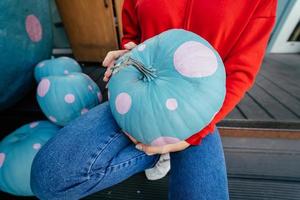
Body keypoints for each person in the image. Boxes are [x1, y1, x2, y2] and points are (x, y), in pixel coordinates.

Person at [30, 1, 277, 199]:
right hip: (140, 93)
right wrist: (128, 56)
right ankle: (154, 154)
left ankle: (161, 149)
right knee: (49, 179)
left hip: (198, 112)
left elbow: (240, 72)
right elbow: (133, 33)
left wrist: (190, 137)